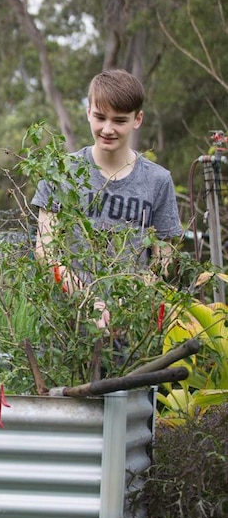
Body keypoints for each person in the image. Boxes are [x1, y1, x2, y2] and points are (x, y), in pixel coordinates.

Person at [32, 69, 182, 326]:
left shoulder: (157, 180)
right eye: (100, 117)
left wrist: (128, 301)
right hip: (67, 326)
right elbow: (46, 250)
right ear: (88, 111)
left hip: (131, 326)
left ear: (138, 119)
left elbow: (163, 259)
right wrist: (87, 299)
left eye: (120, 121)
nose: (108, 129)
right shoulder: (61, 172)